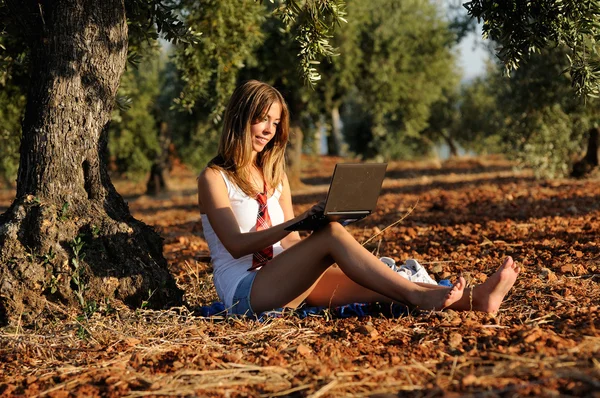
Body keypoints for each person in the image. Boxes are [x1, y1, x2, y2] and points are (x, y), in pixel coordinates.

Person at [197, 80, 520, 317]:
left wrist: (319, 229)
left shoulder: (276, 176)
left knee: (378, 285)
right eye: (262, 119)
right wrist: (307, 225)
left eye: (276, 122)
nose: (269, 129)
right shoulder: (213, 178)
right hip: (245, 291)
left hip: (284, 278)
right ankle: (420, 297)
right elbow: (237, 244)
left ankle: (478, 299)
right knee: (334, 237)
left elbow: (292, 244)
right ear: (240, 117)